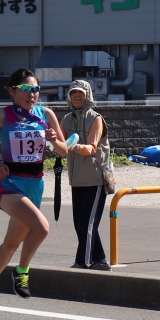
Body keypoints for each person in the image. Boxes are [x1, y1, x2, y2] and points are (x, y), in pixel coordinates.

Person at [0, 67, 68, 313]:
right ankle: (22, 272)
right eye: (26, 89)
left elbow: (63, 151)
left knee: (10, 244)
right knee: (42, 228)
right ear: (12, 91)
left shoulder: (46, 114)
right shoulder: (1, 116)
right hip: (11, 185)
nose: (31, 94)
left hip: (35, 183)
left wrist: (53, 139)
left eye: (35, 89)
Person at [60, 80, 112, 271]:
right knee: (81, 224)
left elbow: (92, 148)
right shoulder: (66, 120)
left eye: (80, 93)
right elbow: (59, 145)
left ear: (88, 95)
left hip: (95, 179)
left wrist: (75, 146)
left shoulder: (96, 118)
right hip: (77, 181)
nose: (76, 96)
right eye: (73, 93)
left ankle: (82, 262)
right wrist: (51, 141)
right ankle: (101, 260)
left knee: (86, 224)